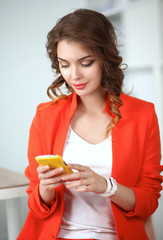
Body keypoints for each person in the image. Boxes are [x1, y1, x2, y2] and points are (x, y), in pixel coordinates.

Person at [18, 8, 163, 240]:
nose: (74, 75)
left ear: (105, 58)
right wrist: (45, 188)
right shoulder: (45, 115)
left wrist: (106, 186)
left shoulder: (143, 114)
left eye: (85, 63)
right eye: (64, 64)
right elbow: (36, 208)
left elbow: (148, 202)